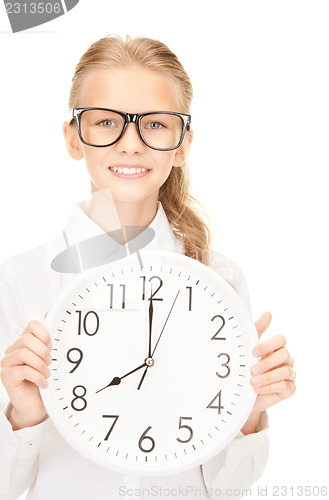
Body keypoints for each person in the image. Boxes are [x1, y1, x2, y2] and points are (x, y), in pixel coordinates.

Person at [0, 35, 296, 500]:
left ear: (182, 144)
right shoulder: (21, 279)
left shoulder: (219, 280)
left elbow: (229, 487)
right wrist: (22, 413)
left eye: (155, 125)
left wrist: (249, 412)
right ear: (73, 139)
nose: (131, 144)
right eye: (105, 122)